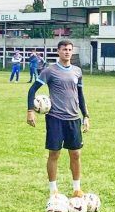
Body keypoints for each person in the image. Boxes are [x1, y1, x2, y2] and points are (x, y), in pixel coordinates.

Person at [26, 40, 90, 198]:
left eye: (69, 49)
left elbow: (80, 95)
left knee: (75, 154)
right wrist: (30, 111)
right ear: (58, 51)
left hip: (74, 118)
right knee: (54, 154)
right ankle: (53, 190)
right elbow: (32, 90)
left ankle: (77, 188)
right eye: (64, 49)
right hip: (55, 118)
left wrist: (86, 116)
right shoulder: (50, 71)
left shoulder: (77, 71)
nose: (67, 52)